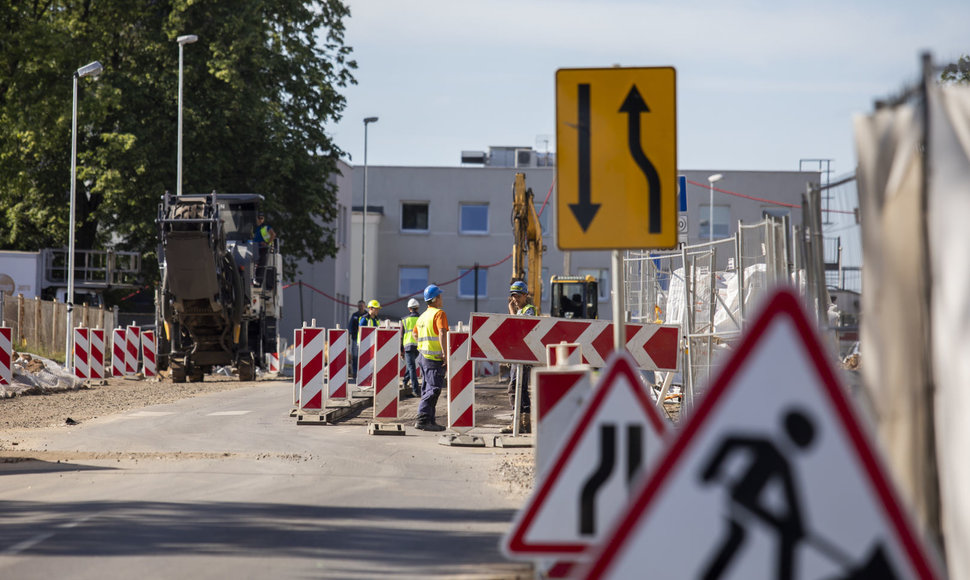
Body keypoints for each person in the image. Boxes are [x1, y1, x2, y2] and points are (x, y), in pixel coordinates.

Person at [413, 284, 448, 431]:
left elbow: (415, 334)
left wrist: (422, 347)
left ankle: (430, 420)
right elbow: (442, 332)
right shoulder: (439, 314)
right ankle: (422, 419)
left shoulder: (422, 316)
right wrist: (445, 353)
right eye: (440, 296)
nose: (441, 298)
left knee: (428, 388)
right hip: (434, 359)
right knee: (433, 389)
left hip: (423, 357)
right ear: (435, 299)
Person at [504, 280, 535, 434]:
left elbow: (522, 327)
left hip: (523, 357)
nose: (514, 299)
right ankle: (522, 423)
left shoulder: (529, 310)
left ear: (525, 295)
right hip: (517, 357)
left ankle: (519, 423)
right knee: (518, 389)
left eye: (517, 296)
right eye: (513, 296)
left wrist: (511, 311)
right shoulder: (519, 311)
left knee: (516, 389)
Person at [401, 298, 421, 398]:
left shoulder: (404, 320)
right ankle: (406, 381)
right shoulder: (421, 318)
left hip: (408, 346)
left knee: (411, 367)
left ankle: (415, 390)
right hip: (419, 346)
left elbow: (401, 335)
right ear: (417, 308)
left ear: (409, 308)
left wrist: (401, 351)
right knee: (411, 366)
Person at [252, 212, 276, 283]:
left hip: (263, 249)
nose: (260, 220)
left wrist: (267, 243)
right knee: (254, 264)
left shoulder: (266, 227)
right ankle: (255, 278)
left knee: (261, 264)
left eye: (261, 218)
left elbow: (273, 234)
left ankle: (259, 280)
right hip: (255, 247)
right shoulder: (255, 227)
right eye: (259, 218)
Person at [347, 300, 366, 380]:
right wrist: (348, 336)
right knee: (355, 356)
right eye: (359, 306)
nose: (360, 307)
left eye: (362, 306)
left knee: (364, 356)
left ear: (364, 306)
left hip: (365, 340)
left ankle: (363, 372)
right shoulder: (355, 315)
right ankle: (355, 372)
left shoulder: (367, 315)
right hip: (355, 339)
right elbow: (350, 327)